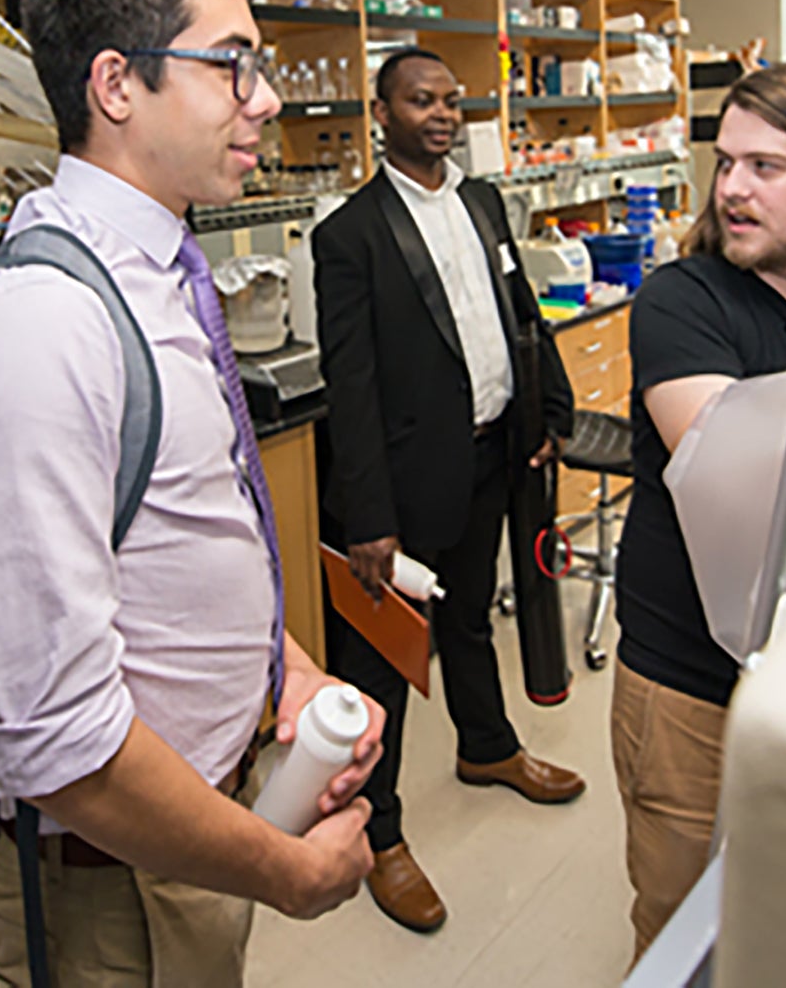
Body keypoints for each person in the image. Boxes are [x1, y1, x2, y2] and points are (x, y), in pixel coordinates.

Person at [0, 0, 381, 986]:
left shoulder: (156, 270)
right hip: (110, 874)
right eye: (232, 66)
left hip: (202, 809)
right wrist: (285, 871)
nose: (265, 98)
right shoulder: (42, 324)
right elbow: (61, 741)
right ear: (118, 85)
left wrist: (287, 675)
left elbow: (179, 536)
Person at [312, 47, 584, 934]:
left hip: (493, 456)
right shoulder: (350, 234)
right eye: (419, 100)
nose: (440, 112)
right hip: (404, 478)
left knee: (470, 616)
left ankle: (487, 748)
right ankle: (377, 833)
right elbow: (349, 388)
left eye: (450, 98)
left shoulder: (482, 201)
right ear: (381, 113)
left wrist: (548, 408)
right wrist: (368, 516)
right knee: (385, 659)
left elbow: (519, 314)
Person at [611, 63, 786, 957]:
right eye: (727, 163)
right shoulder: (687, 297)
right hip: (690, 682)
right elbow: (736, 471)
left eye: (769, 167)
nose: (735, 188)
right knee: (680, 928)